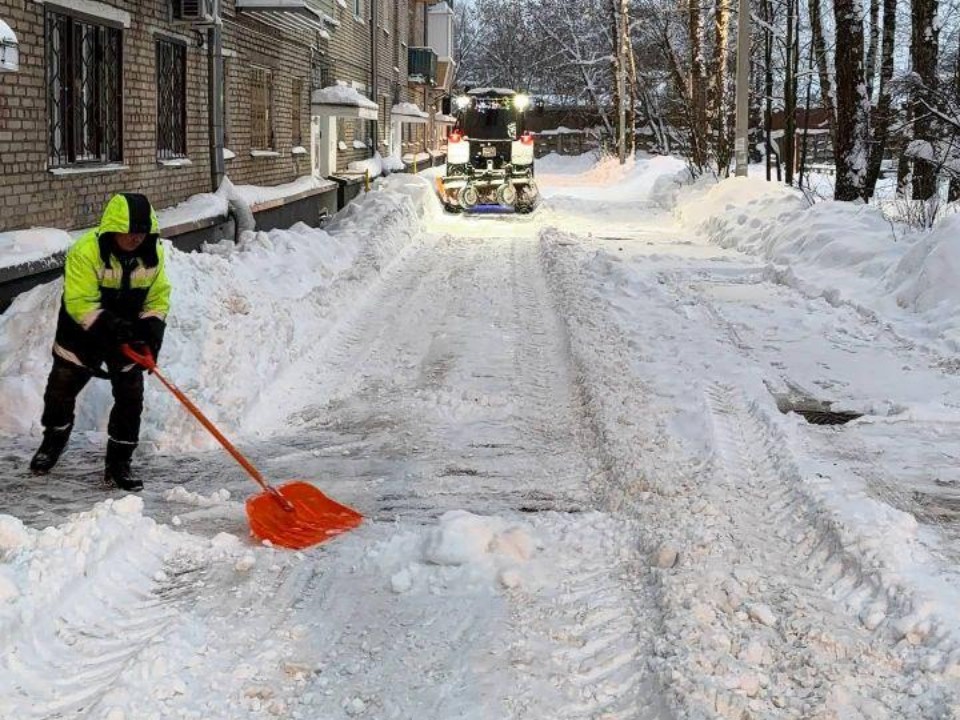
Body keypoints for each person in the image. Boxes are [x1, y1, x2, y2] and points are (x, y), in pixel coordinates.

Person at [29, 193, 171, 491]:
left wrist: (151, 331)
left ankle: (119, 461)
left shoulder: (152, 254)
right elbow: (80, 301)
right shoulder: (86, 251)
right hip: (82, 330)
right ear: (112, 229)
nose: (135, 238)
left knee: (131, 397)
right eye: (129, 232)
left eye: (141, 233)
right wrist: (110, 326)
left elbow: (158, 298)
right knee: (60, 390)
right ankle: (54, 438)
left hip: (129, 332)